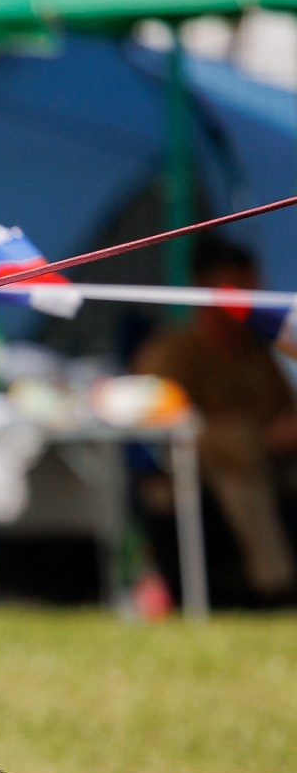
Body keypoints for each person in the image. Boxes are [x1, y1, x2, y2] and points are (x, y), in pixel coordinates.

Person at [134, 237, 297, 605]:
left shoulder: (259, 356)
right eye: (239, 293)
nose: (249, 306)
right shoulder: (172, 351)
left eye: (254, 293)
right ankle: (276, 588)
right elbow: (159, 418)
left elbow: (285, 411)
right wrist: (261, 437)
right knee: (234, 452)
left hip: (268, 464)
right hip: (192, 469)